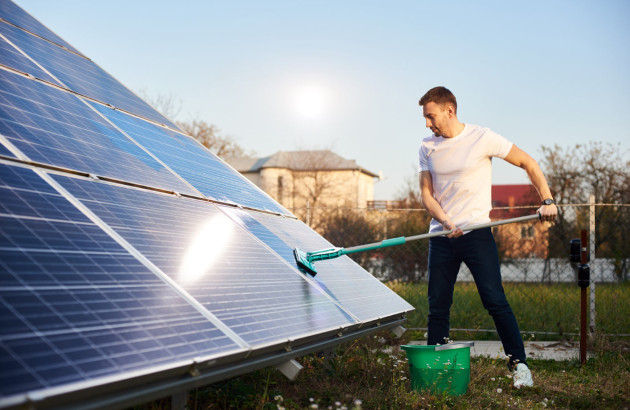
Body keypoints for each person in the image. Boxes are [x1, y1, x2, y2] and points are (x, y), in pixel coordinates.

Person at [417, 86, 557, 388]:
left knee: (494, 300)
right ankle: (434, 370)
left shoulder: (482, 137)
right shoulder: (427, 146)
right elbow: (426, 194)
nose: (428, 124)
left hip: (477, 234)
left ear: (449, 110)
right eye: (426, 118)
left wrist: (546, 200)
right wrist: (444, 220)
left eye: (430, 116)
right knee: (437, 305)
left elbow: (528, 163)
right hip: (441, 236)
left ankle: (520, 366)